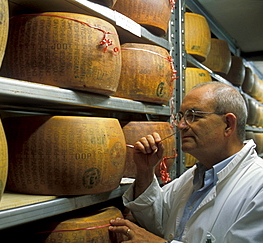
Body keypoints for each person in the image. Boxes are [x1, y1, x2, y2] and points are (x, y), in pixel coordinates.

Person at [109, 81, 263, 242]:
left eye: (193, 116)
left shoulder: (258, 186)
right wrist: (145, 171)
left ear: (228, 125)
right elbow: (157, 221)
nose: (181, 125)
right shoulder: (193, 178)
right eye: (181, 116)